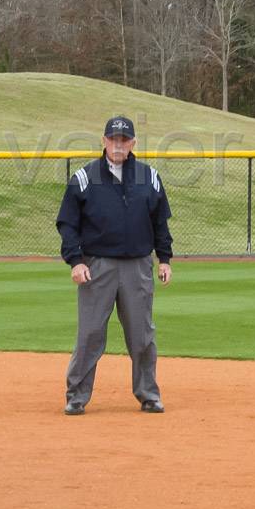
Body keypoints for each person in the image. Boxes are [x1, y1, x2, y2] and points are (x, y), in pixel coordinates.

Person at [56, 116, 173, 415]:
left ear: (133, 143)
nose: (118, 145)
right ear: (104, 141)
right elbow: (68, 224)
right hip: (98, 266)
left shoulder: (149, 177)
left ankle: (149, 394)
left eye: (124, 140)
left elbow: (160, 222)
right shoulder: (85, 177)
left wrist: (165, 258)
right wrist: (75, 261)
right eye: (113, 139)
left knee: (142, 335)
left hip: (137, 266)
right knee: (91, 334)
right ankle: (76, 396)